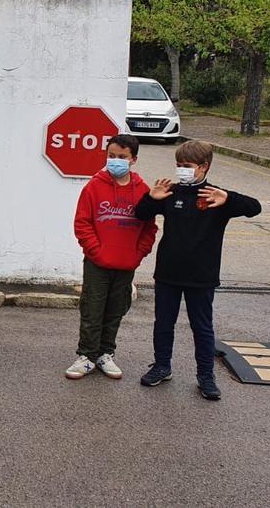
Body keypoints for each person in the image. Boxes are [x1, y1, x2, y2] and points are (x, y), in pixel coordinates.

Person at [135, 140, 261, 401]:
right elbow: (140, 214)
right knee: (163, 323)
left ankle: (206, 376)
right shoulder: (171, 193)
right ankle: (162, 366)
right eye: (178, 165)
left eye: (188, 166)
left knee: (202, 327)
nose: (182, 170)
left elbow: (254, 208)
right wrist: (151, 197)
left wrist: (229, 199)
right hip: (168, 272)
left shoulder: (215, 197)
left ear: (204, 167)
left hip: (201, 276)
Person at [66, 134, 158, 380]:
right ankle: (87, 355)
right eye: (111, 156)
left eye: (122, 157)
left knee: (116, 309)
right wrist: (95, 251)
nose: (115, 161)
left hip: (126, 263)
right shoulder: (94, 186)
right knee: (92, 308)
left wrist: (137, 255)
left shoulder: (143, 190)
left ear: (133, 160)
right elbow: (82, 223)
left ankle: (105, 354)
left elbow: (150, 228)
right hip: (97, 263)